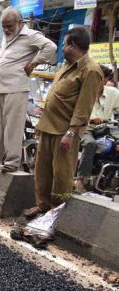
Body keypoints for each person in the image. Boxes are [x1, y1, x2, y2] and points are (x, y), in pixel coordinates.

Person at [24, 27, 103, 219]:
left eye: (65, 44)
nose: (62, 48)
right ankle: (42, 206)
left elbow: (84, 106)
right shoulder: (66, 65)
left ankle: (56, 214)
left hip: (65, 131)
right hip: (48, 126)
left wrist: (71, 132)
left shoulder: (91, 71)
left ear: (72, 45)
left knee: (61, 176)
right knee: (42, 172)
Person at [0, 7, 56, 173]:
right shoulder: (8, 37)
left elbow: (51, 47)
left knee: (13, 126)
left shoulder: (30, 35)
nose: (6, 29)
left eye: (9, 26)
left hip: (16, 87)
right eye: (4, 26)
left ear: (20, 23)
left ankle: (12, 162)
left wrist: (34, 63)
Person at [76, 65, 119, 181]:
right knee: (90, 144)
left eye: (100, 78)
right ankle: (82, 179)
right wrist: (91, 119)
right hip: (85, 128)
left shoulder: (113, 93)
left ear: (105, 79)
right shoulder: (82, 92)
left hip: (105, 129)